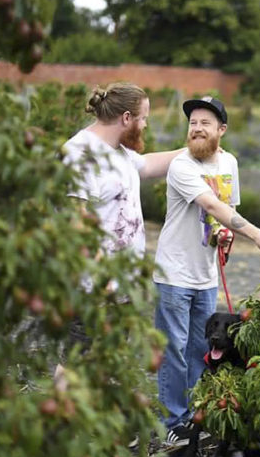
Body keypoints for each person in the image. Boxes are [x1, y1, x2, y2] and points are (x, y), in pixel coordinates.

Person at [152, 96, 260, 446]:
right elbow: (209, 204)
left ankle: (194, 416)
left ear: (221, 129)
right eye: (193, 123)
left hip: (204, 274)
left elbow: (226, 208)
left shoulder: (229, 163)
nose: (197, 128)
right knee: (172, 349)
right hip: (173, 272)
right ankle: (172, 423)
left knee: (201, 350)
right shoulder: (181, 165)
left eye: (206, 123)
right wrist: (255, 233)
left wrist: (224, 236)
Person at [56, 82, 183, 388]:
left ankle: (94, 422)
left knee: (108, 355)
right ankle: (58, 421)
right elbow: (76, 218)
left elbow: (150, 165)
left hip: (121, 280)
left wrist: (194, 148)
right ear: (126, 118)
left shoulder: (120, 153)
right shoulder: (80, 152)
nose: (146, 124)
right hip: (92, 281)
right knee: (77, 356)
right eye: (144, 118)